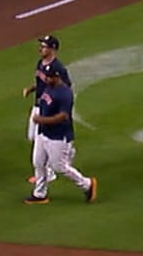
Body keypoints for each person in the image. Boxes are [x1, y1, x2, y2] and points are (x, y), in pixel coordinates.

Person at [25, 63, 97, 204]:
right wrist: (31, 89)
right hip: (43, 132)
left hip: (58, 136)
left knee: (59, 167)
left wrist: (41, 119)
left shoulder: (65, 94)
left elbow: (63, 116)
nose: (46, 79)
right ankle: (39, 194)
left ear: (57, 76)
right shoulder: (48, 86)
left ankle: (87, 184)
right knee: (38, 162)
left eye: (50, 76)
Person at [23, 35, 72, 183]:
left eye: (44, 46)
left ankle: (48, 172)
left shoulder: (59, 68)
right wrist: (32, 88)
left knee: (42, 139)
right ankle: (46, 170)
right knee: (32, 137)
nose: (40, 48)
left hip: (48, 108)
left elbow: (66, 87)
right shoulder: (40, 63)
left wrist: (56, 105)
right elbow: (41, 83)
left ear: (52, 49)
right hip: (38, 104)